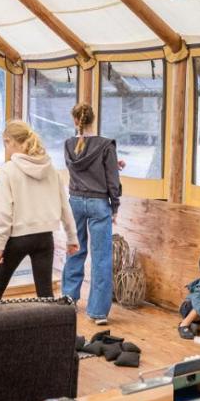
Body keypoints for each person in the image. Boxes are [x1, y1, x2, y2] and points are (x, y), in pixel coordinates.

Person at [0, 120, 78, 300]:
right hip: (45, 238)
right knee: (45, 294)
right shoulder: (51, 169)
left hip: (17, 238)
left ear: (9, 142)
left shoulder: (7, 171)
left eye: (5, 144)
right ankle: (51, 320)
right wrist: (72, 238)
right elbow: (64, 206)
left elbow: (3, 213)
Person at [63, 103, 122, 326]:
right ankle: (98, 312)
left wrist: (112, 165)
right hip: (99, 203)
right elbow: (112, 180)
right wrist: (115, 206)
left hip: (75, 201)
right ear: (93, 119)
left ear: (75, 120)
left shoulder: (68, 144)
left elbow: (77, 169)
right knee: (101, 258)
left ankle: (69, 299)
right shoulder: (106, 145)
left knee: (75, 250)